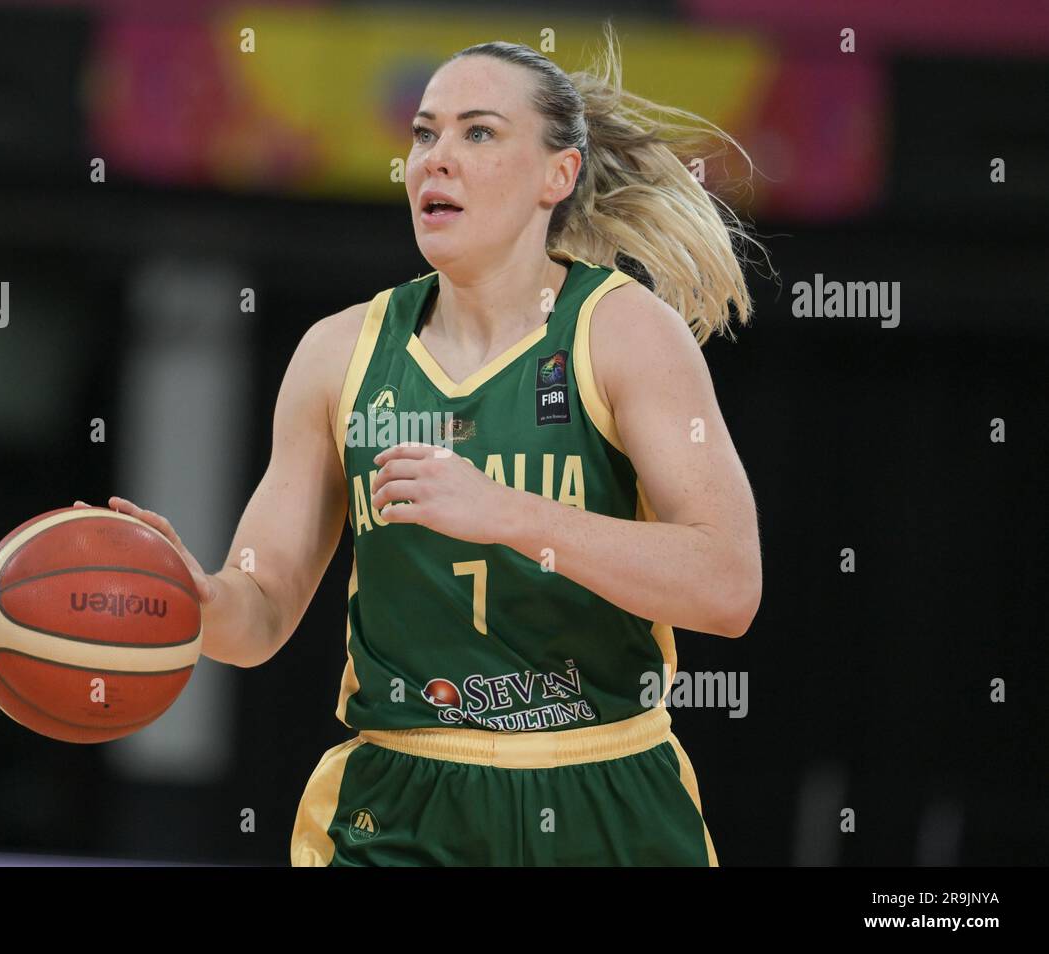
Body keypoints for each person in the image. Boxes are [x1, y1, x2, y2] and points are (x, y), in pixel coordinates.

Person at [78, 26, 763, 866]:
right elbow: (259, 615)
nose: (435, 158)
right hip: (401, 801)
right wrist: (193, 597)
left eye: (478, 132)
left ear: (560, 173)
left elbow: (728, 585)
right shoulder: (340, 355)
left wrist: (508, 514)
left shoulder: (624, 333)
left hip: (607, 787)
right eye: (424, 133)